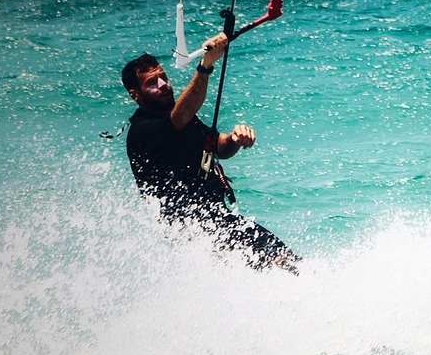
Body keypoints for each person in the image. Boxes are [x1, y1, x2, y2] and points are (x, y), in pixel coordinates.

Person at [120, 34, 298, 271]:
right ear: (135, 94)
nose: (163, 85)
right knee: (280, 262)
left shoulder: (179, 118)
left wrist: (234, 138)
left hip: (218, 221)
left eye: (163, 77)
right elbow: (181, 115)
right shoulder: (143, 131)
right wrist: (205, 66)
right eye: (152, 83)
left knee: (284, 261)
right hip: (193, 231)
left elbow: (218, 147)